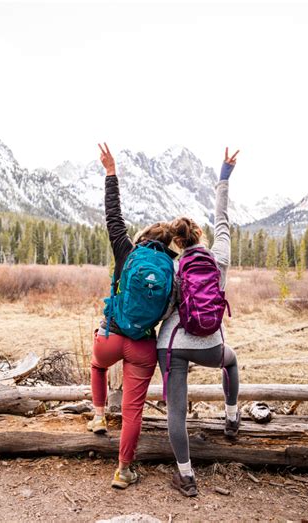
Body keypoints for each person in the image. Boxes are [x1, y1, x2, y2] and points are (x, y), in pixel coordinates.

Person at [88, 143, 178, 489]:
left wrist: (111, 173)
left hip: (110, 337)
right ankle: (124, 470)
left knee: (97, 366)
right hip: (142, 347)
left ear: (143, 239)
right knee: (132, 411)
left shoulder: (127, 251)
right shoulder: (171, 268)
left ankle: (97, 416)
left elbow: (113, 216)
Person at [157, 147, 240, 497]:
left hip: (172, 344)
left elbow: (165, 308)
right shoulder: (219, 256)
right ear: (201, 236)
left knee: (176, 409)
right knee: (232, 361)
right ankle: (232, 417)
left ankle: (186, 477)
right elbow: (223, 219)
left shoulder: (173, 266)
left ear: (177, 241)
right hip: (210, 343)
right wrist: (224, 176)